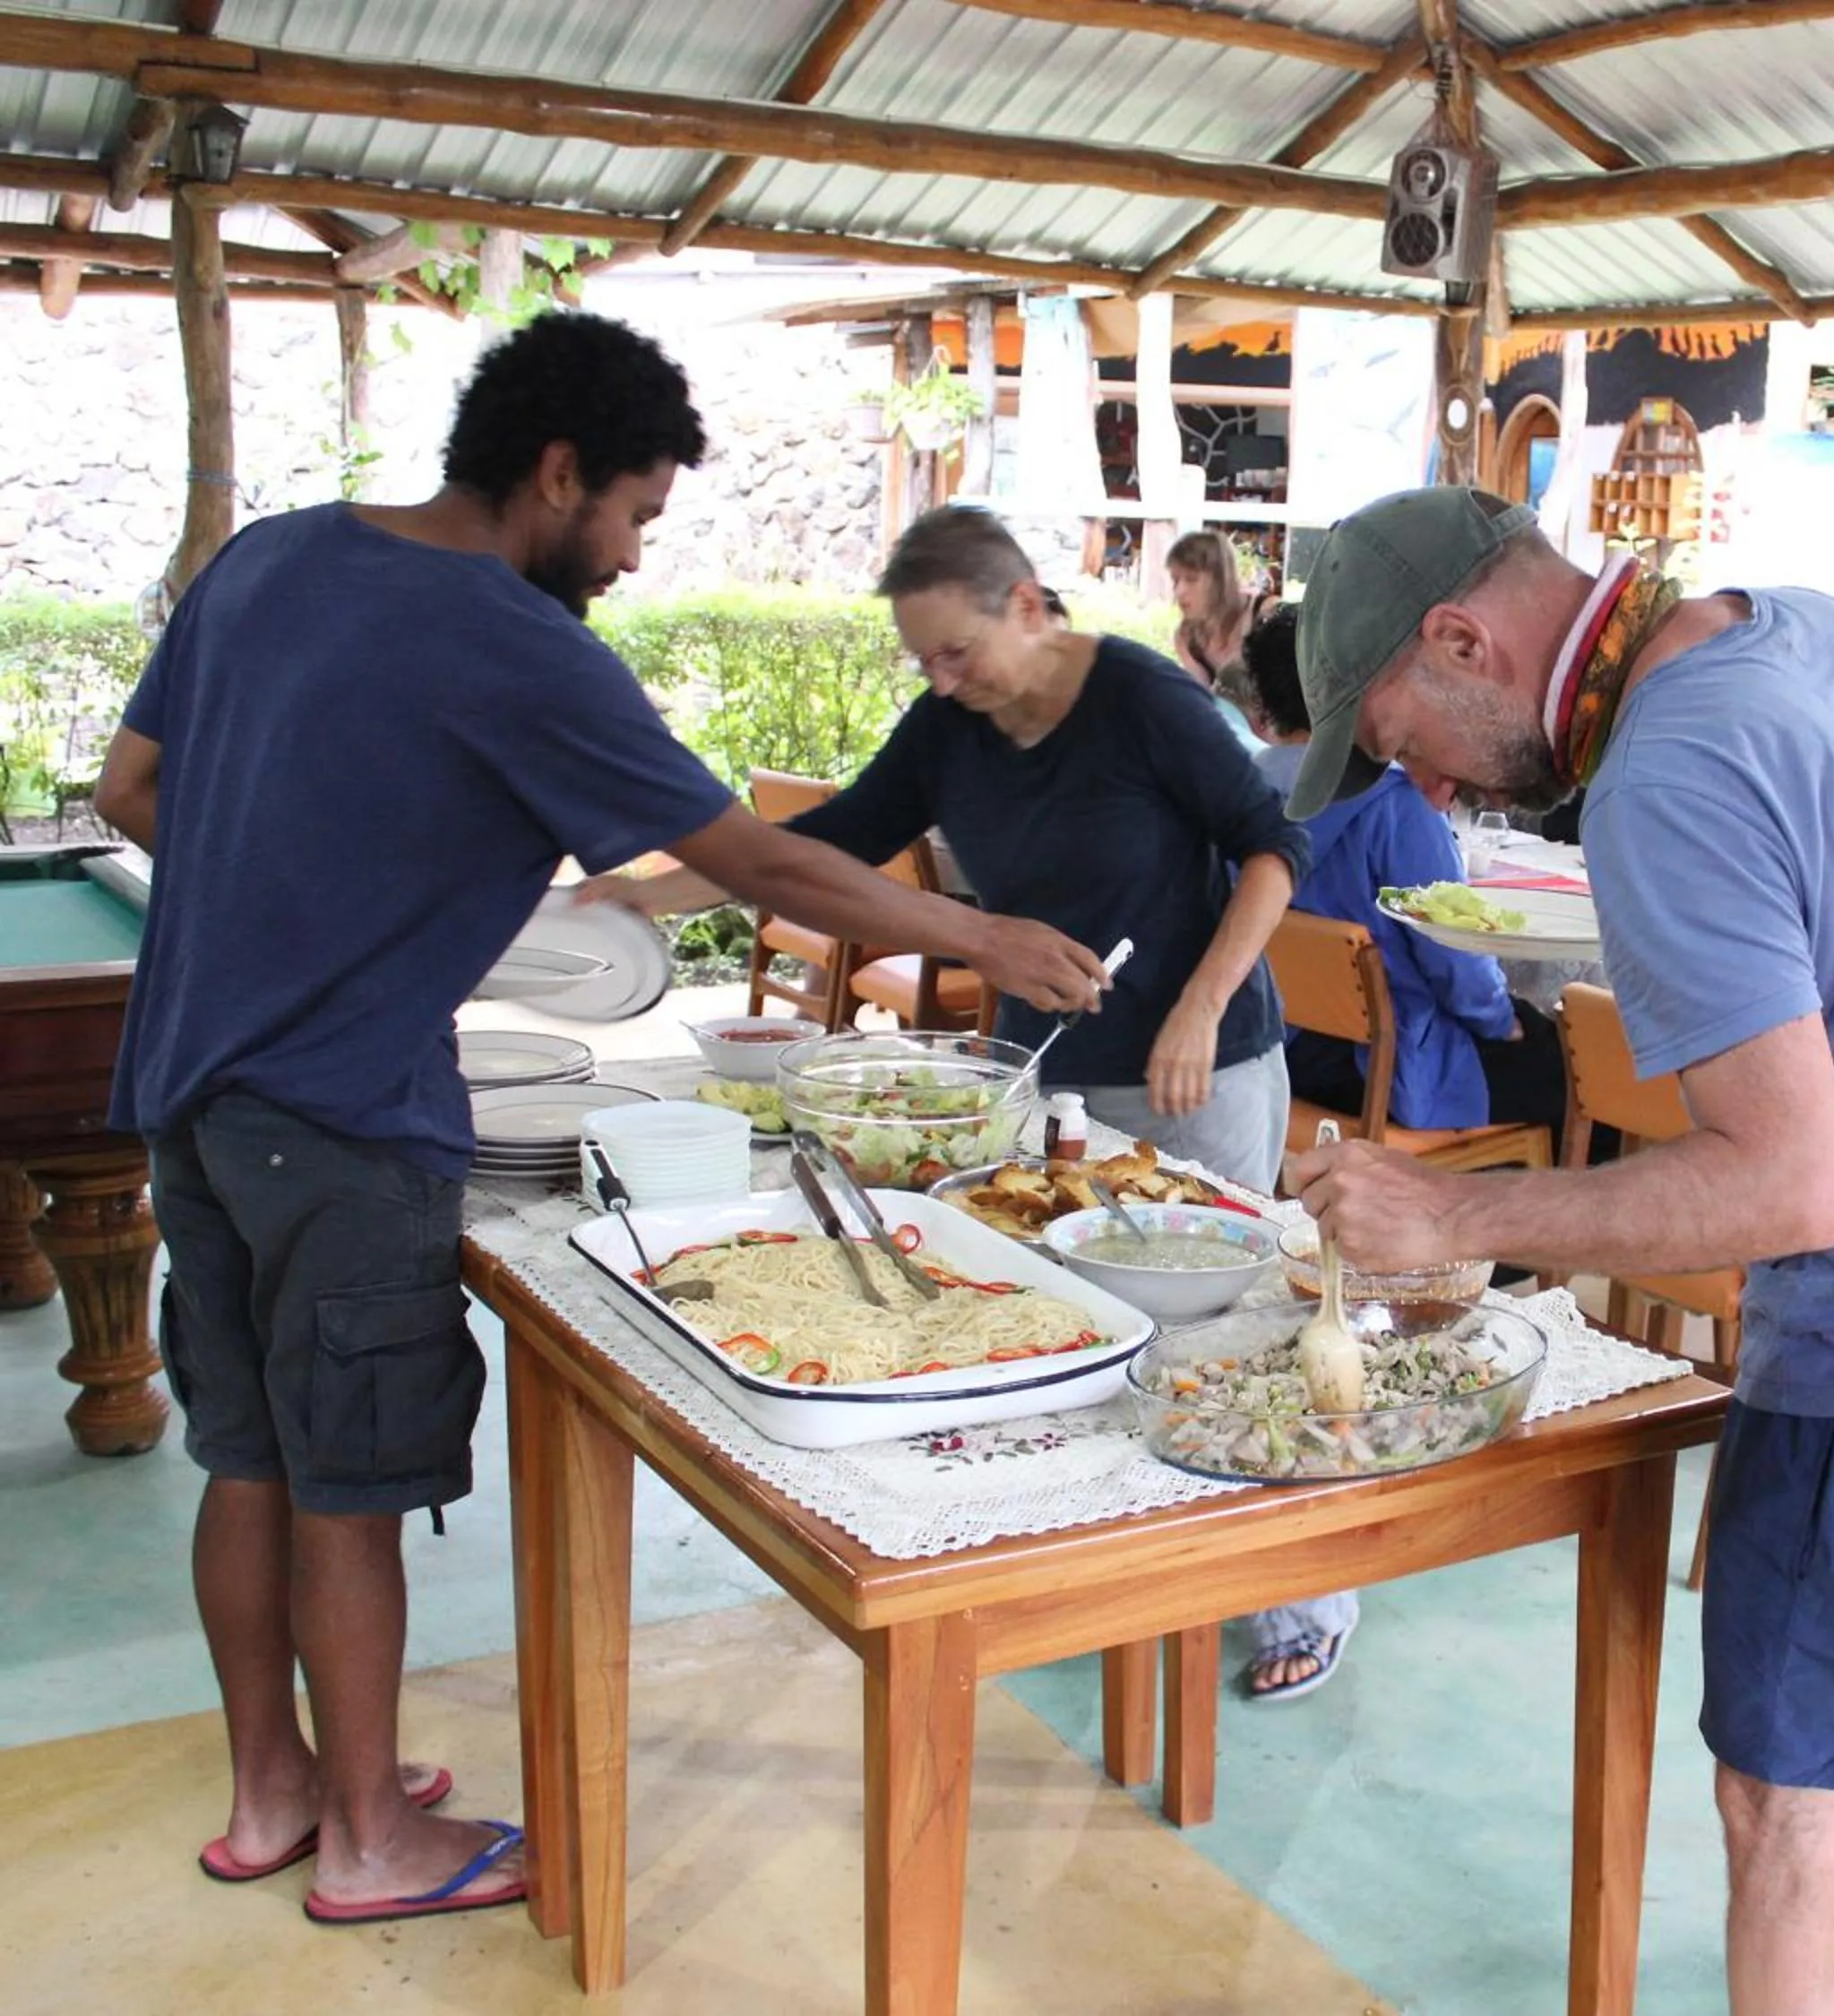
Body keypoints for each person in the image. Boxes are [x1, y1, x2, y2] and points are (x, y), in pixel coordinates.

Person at [89, 314, 1106, 1930]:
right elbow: (762, 864)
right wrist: (981, 938)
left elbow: (129, 791)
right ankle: (367, 1841)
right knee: (349, 1483)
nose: (633, 556)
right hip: (348, 1114)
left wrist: (321, 886)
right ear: (554, 473)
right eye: (633, 513)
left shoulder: (270, 558)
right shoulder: (513, 638)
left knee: (247, 1456)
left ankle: (275, 1788)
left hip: (192, 1097)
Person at [1280, 487, 1834, 2016]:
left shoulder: (1662, 769)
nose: (1422, 779)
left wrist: (1456, 1213)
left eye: (1403, 736)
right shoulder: (1815, 626)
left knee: (1786, 1805)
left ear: (1463, 638)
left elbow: (1792, 1189)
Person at [624, 504, 1307, 1195]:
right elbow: (822, 847)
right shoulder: (945, 727)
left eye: (956, 652)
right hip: (1040, 1072)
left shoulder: (1142, 698)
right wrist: (647, 896)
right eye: (925, 662)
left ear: (1026, 606)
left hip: (1190, 1077)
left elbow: (1275, 847)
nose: (942, 682)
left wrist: (1203, 1007)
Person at [1224, 605, 1567, 1142]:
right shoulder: (1393, 805)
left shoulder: (1237, 791)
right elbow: (1454, 958)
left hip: (1277, 1049)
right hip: (1394, 1069)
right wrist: (1501, 1020)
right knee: (1587, 1072)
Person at [1167, 528, 1275, 692]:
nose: (1179, 591)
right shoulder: (1187, 638)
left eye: (1191, 579)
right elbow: (1201, 704)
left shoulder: (1266, 613)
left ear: (1221, 579)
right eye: (1175, 580)